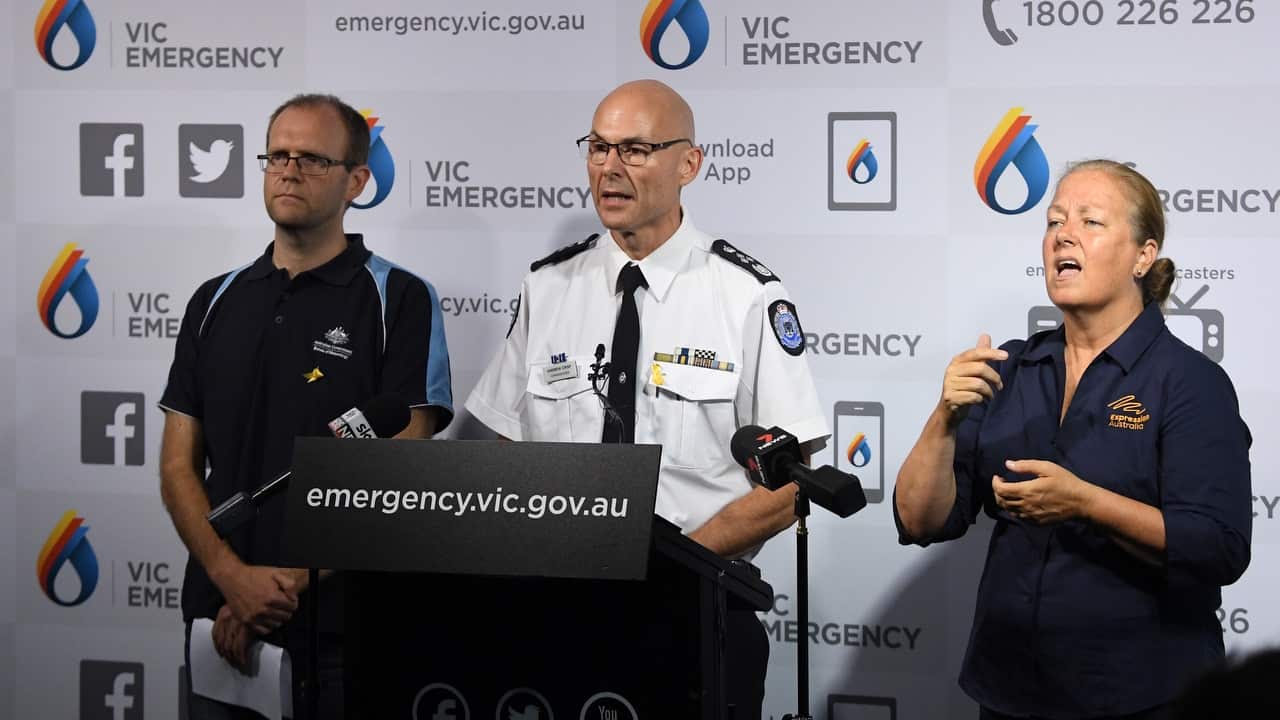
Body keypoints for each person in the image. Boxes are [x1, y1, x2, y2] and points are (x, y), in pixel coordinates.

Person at [464, 79, 828, 717]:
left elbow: (789, 485)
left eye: (634, 149)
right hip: (556, 617)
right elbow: (505, 451)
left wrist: (676, 569)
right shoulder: (547, 286)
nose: (609, 167)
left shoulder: (746, 294)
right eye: (598, 147)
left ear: (689, 164)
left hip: (696, 614)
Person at [894, 159, 1251, 720]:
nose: (1063, 233)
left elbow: (1218, 547)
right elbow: (921, 521)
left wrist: (1084, 503)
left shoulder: (1189, 383)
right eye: (1054, 220)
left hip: (1143, 696)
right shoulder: (1009, 367)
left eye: (1091, 222)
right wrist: (943, 418)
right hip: (1010, 691)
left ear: (1143, 255)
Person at [159, 93, 453, 719]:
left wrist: (288, 583)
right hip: (217, 623)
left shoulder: (399, 299)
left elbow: (401, 473)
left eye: (313, 159)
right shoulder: (214, 300)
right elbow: (179, 466)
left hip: (343, 638)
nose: (288, 170)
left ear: (357, 182)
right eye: (278, 155)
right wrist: (233, 581)